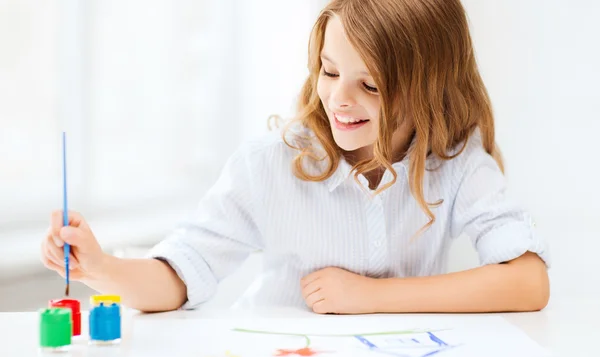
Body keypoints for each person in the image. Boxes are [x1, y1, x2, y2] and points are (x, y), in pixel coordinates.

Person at [40, 0, 550, 314]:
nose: (340, 100)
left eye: (370, 85)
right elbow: (181, 274)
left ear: (428, 89)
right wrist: (102, 268)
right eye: (329, 72)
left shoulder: (457, 161)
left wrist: (370, 298)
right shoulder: (268, 165)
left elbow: (528, 282)